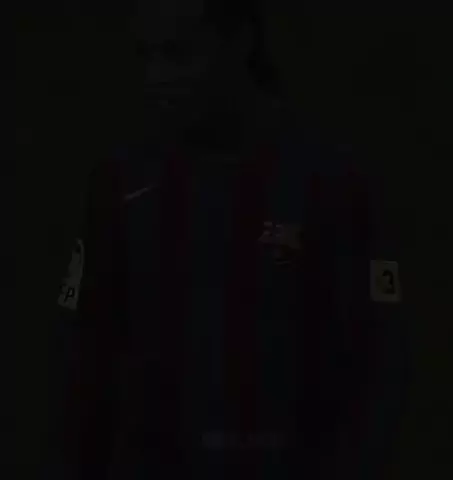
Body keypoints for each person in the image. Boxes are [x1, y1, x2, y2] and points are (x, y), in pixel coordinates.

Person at [56, 1, 376, 478]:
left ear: (239, 42)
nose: (156, 78)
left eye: (177, 55)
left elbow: (375, 352)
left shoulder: (329, 180)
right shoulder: (122, 182)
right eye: (145, 56)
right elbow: (85, 347)